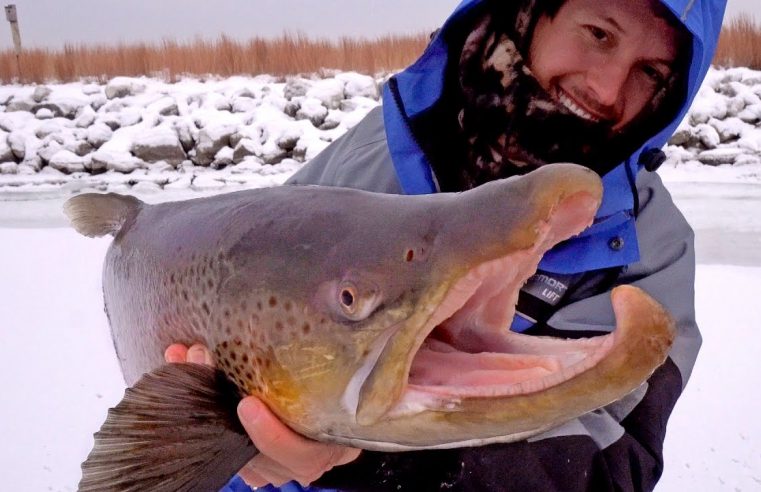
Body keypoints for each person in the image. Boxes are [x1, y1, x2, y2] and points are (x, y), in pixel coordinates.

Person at [166, 0, 727, 490]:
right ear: (530, 11)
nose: (607, 90)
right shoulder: (371, 154)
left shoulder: (652, 245)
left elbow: (607, 470)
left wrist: (358, 459)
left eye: (650, 72)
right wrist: (238, 443)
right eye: (598, 34)